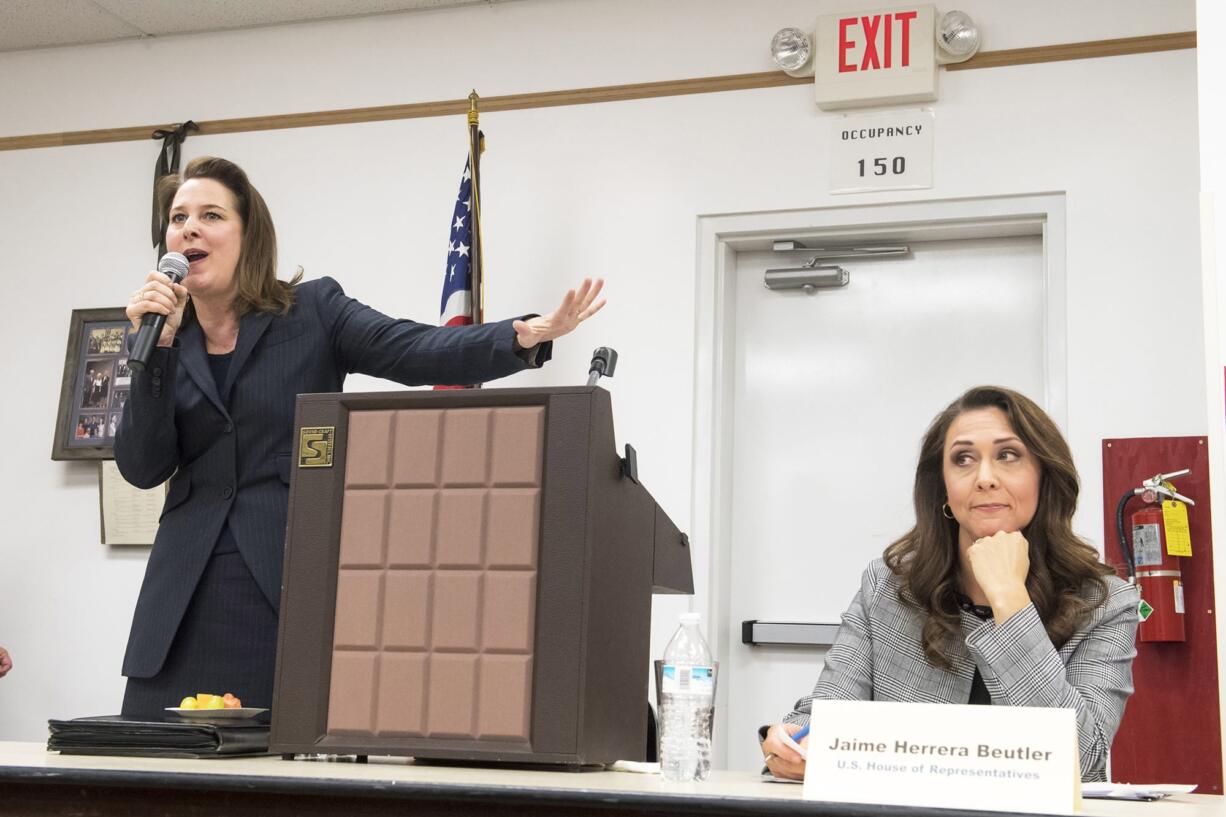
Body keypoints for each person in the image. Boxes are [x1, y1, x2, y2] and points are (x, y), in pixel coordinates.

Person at [115, 156, 605, 718]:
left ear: (248, 237)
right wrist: (153, 356)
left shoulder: (312, 313)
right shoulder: (164, 339)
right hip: (182, 601)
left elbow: (412, 349)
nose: (189, 229)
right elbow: (142, 467)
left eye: (210, 215)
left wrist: (519, 338)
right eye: (179, 219)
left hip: (284, 584)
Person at [760, 386, 1138, 782]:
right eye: (963, 459)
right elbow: (822, 718)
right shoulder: (888, 587)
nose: (985, 478)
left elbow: (1081, 758)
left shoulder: (1106, 603)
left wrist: (1010, 599)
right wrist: (788, 743)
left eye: (1008, 455)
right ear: (943, 487)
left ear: (1044, 476)